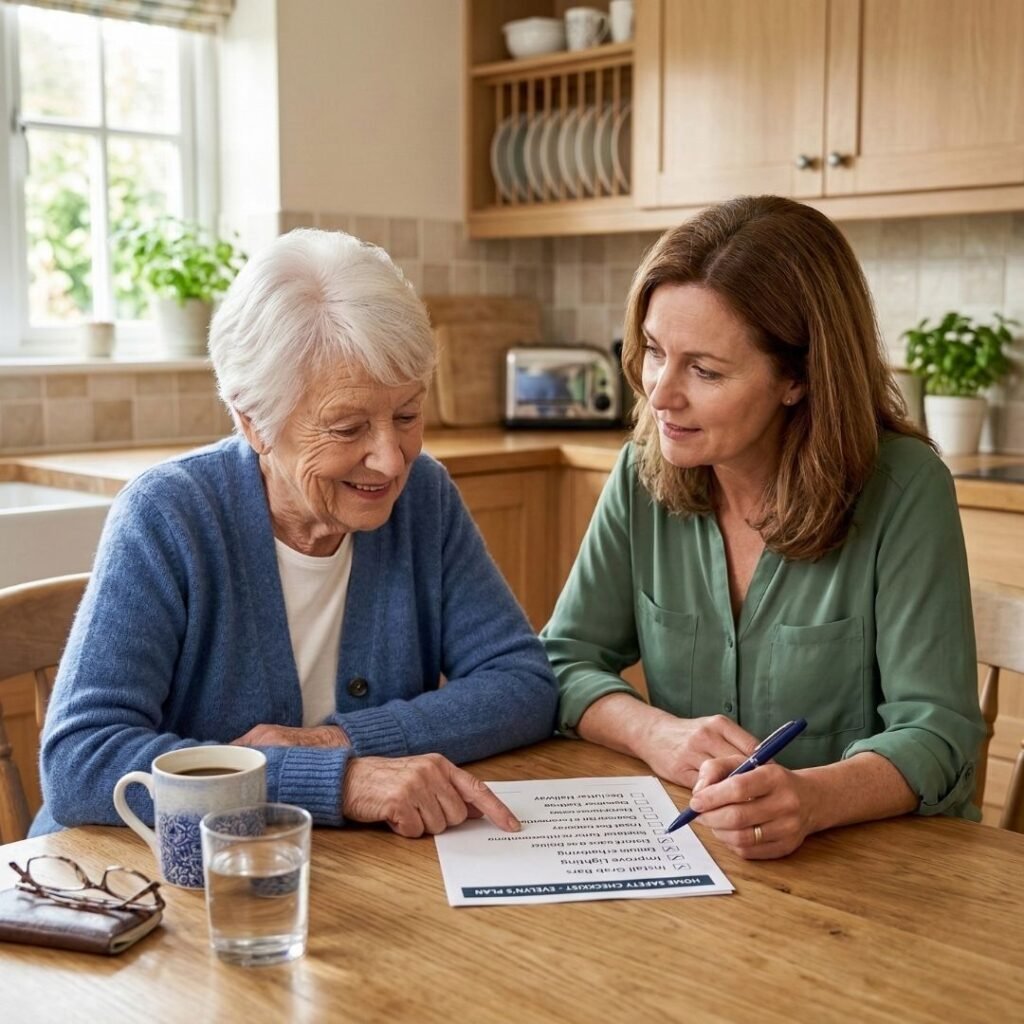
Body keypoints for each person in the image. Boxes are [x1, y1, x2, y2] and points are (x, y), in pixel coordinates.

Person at [35, 229, 558, 839]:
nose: (391, 460)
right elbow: (80, 762)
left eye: (407, 416)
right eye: (347, 428)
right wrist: (334, 779)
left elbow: (522, 686)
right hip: (147, 878)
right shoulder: (167, 515)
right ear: (253, 422)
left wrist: (339, 741)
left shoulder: (424, 498)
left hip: (336, 871)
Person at [541, 195, 985, 860]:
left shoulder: (903, 487)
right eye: (657, 352)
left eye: (705, 370)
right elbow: (560, 661)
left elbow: (938, 732)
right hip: (704, 859)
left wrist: (811, 799)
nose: (661, 393)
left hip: (882, 872)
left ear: (798, 379)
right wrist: (656, 734)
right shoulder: (642, 471)